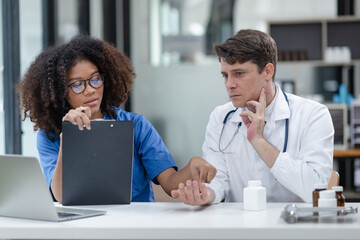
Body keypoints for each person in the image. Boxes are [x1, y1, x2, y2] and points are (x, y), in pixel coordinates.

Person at [17, 34, 216, 203]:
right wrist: (69, 137)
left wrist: (191, 167)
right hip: (82, 227)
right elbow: (60, 196)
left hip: (134, 224)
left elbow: (170, 184)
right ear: (62, 92)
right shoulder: (51, 135)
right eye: (78, 84)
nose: (91, 90)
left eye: (95, 79)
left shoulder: (136, 126)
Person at [171, 29, 334, 205]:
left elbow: (315, 190)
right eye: (225, 75)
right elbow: (218, 180)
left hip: (292, 225)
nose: (229, 84)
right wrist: (206, 194)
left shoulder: (313, 115)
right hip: (240, 226)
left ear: (267, 72)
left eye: (239, 73)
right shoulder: (221, 117)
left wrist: (259, 141)